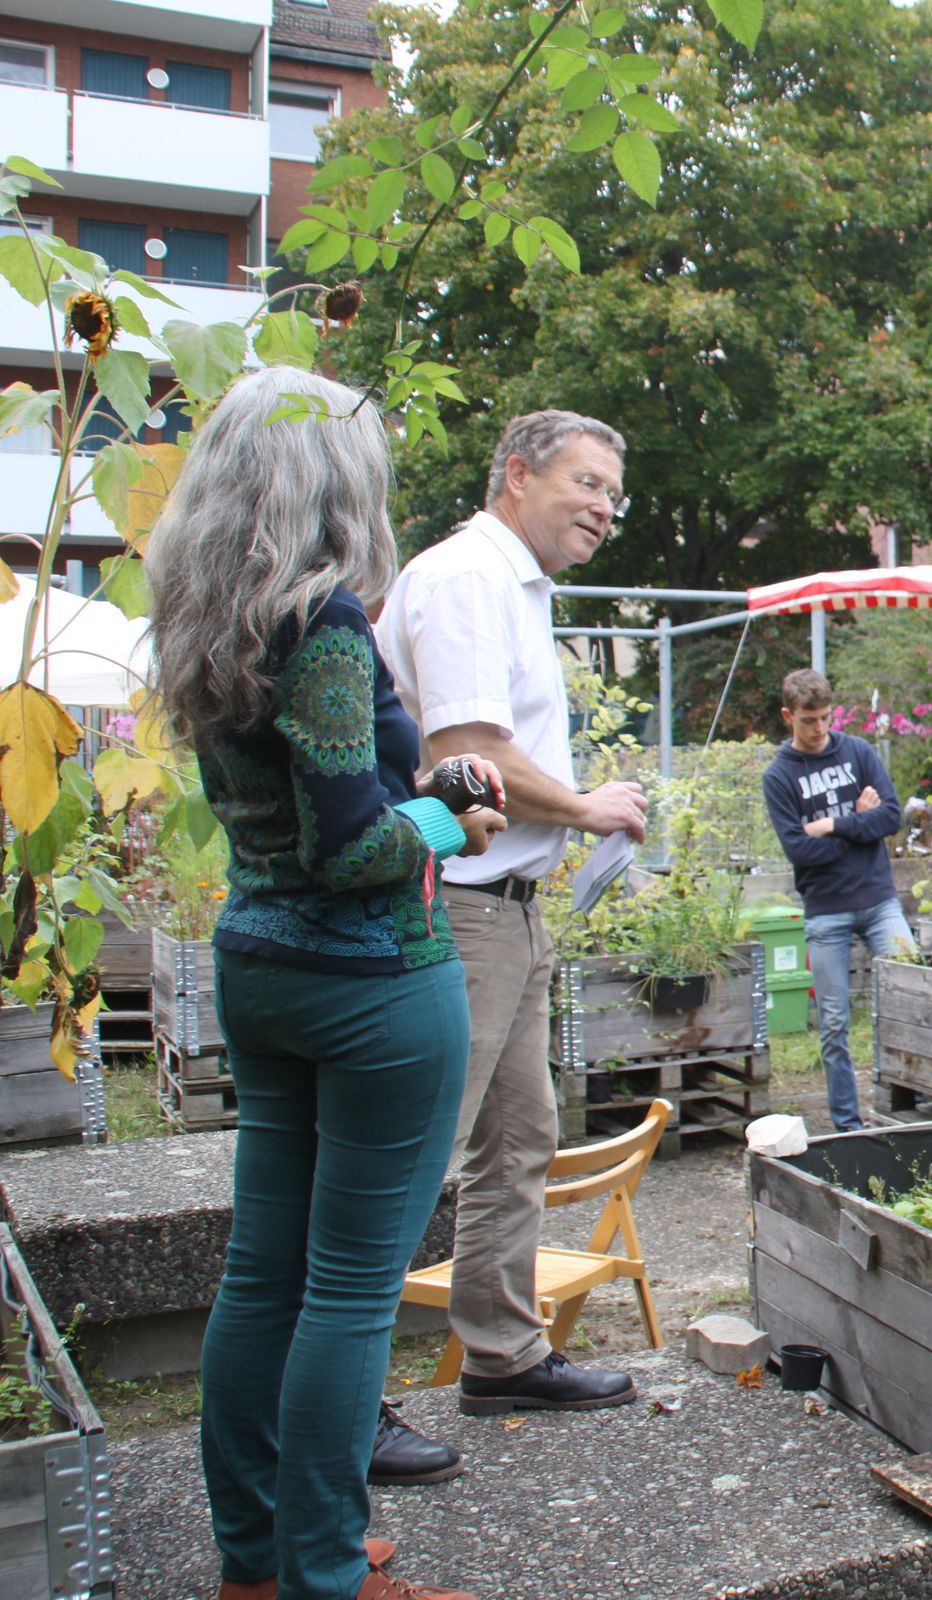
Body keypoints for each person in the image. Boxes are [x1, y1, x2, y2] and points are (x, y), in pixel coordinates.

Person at [148, 367, 507, 1600]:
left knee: (263, 1275)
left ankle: (259, 1559)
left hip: (258, 968)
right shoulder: (330, 623)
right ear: (333, 477)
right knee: (351, 1295)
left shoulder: (212, 617)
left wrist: (433, 792)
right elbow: (351, 848)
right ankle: (326, 1574)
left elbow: (305, 811)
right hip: (371, 987)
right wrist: (456, 831)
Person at [377, 410, 651, 1448]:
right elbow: (463, 760)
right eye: (584, 483)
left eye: (611, 494)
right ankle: (349, 1396)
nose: (602, 507)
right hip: (457, 908)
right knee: (415, 1153)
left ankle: (501, 1352)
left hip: (513, 911)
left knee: (520, 1136)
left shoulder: (518, 589)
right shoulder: (464, 579)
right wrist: (585, 806)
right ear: (514, 474)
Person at [762, 668, 911, 1131]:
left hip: (879, 899)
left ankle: (904, 1107)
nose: (820, 729)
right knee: (833, 1023)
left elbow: (891, 816)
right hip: (826, 909)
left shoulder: (858, 752)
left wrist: (833, 824)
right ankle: (849, 1124)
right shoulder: (779, 776)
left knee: (912, 990)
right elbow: (800, 849)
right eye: (809, 720)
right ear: (789, 716)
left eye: (826, 717)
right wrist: (855, 824)